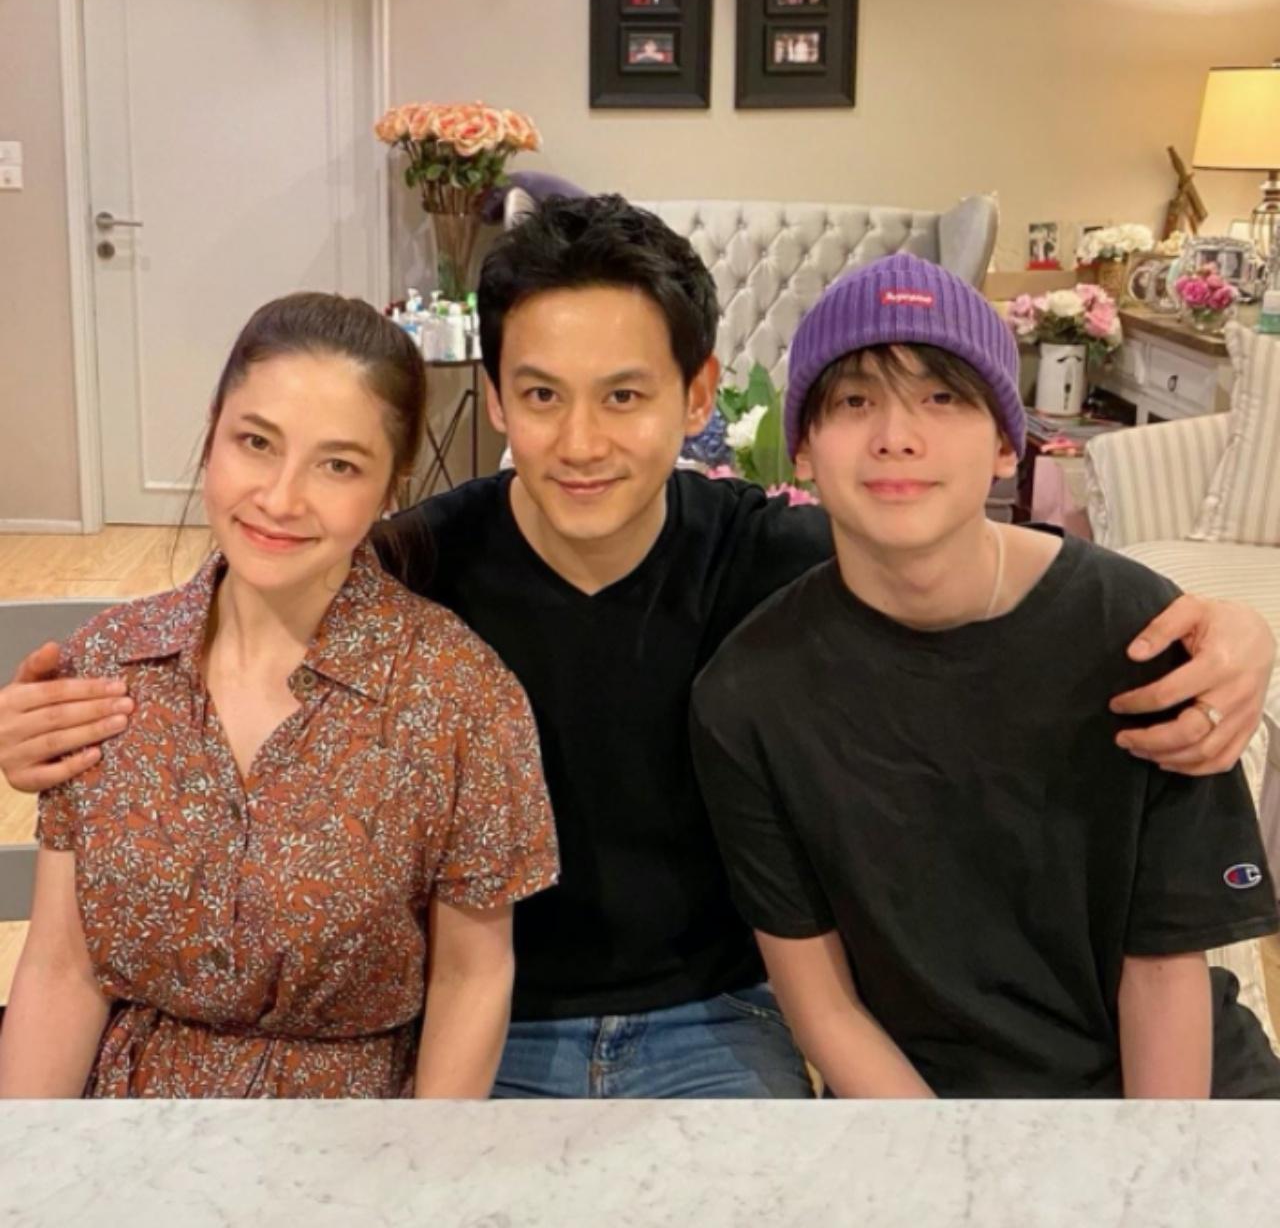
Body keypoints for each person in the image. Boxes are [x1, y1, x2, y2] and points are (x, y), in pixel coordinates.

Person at [1, 200, 1273, 1099]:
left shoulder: (780, 560)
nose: (580, 441)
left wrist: (1233, 623)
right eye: (540, 395)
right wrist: (73, 706)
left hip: (717, 1017)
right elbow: (265, 563)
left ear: (698, 392)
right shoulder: (421, 565)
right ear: (494, 396)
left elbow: (968, 567)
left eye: (624, 394)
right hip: (482, 1021)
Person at [690, 253, 1280, 1098]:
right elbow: (825, 1008)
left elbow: (1162, 966)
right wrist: (960, 1161)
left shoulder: (1134, 631)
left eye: (942, 397)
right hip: (930, 1105)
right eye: (854, 402)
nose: (897, 435)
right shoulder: (750, 696)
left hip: (1178, 1086)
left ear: (1007, 443)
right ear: (804, 449)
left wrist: (1153, 1169)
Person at [0, 294, 556, 1098]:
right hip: (126, 1121)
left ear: (390, 487)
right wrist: (31, 1160)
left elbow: (470, 981)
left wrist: (424, 1165)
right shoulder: (107, 666)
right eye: (256, 443)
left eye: (338, 465)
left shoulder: (458, 695)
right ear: (212, 435)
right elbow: (61, 967)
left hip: (347, 1134)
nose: (281, 498)